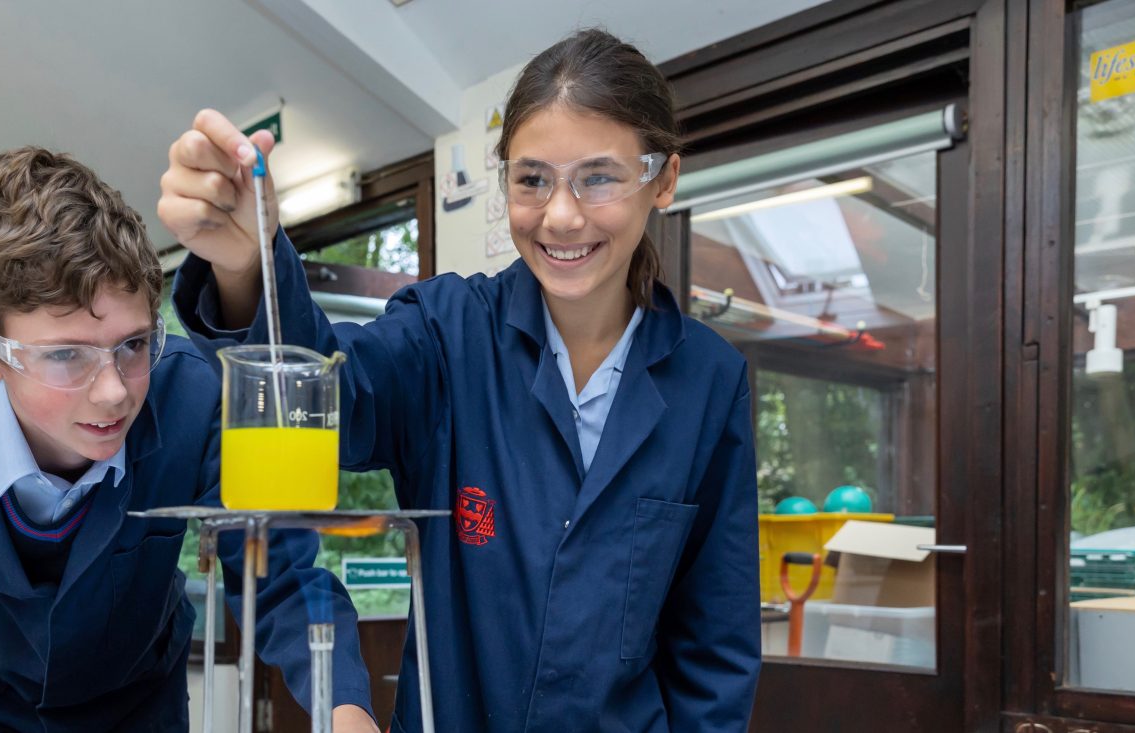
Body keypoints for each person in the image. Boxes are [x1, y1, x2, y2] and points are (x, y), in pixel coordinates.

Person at [158, 28, 760, 733]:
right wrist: (245, 264)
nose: (561, 215)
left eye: (599, 176)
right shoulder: (447, 332)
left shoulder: (709, 382)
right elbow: (332, 393)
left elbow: (714, 655)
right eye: (532, 178)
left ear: (662, 180)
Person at [0, 147, 380, 733]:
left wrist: (346, 707)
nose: (112, 392)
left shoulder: (196, 400)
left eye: (134, 345)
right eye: (65, 356)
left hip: (136, 699)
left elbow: (279, 576)